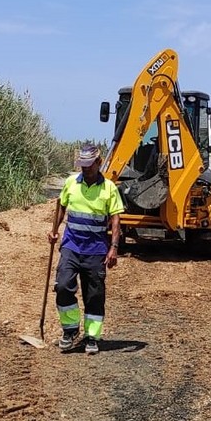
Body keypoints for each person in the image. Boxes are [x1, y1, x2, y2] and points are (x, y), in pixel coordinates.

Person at [48, 144, 124, 355]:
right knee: (63, 286)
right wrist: (54, 231)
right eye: (82, 165)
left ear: (99, 164)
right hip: (71, 246)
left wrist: (114, 248)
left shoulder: (109, 188)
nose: (85, 169)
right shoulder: (71, 183)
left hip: (96, 250)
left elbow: (116, 219)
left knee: (94, 295)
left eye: (89, 165)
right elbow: (62, 205)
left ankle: (91, 336)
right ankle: (70, 330)